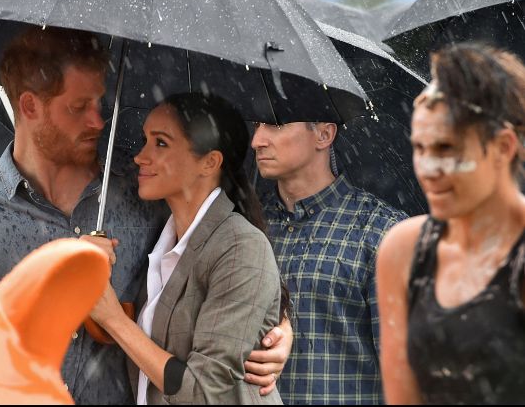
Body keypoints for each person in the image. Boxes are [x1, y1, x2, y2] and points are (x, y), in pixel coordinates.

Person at [0, 27, 291, 404]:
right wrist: (57, 278)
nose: (98, 122)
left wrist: (277, 329)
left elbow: (231, 267)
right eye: (78, 107)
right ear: (30, 106)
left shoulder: (146, 191)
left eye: (98, 103)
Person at [87, 93, 285, 404]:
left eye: (161, 143)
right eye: (145, 140)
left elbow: (203, 393)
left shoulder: (239, 247)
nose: (140, 156)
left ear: (209, 162)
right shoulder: (159, 239)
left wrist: (115, 320)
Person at [377, 43, 525, 404]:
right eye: (420, 148)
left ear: (504, 146)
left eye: (446, 149)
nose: (428, 170)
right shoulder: (404, 250)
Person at [251, 117, 407, 405]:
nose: (257, 140)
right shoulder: (246, 224)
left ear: (323, 135)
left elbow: (409, 375)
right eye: (258, 125)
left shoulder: (381, 232)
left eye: (275, 125)